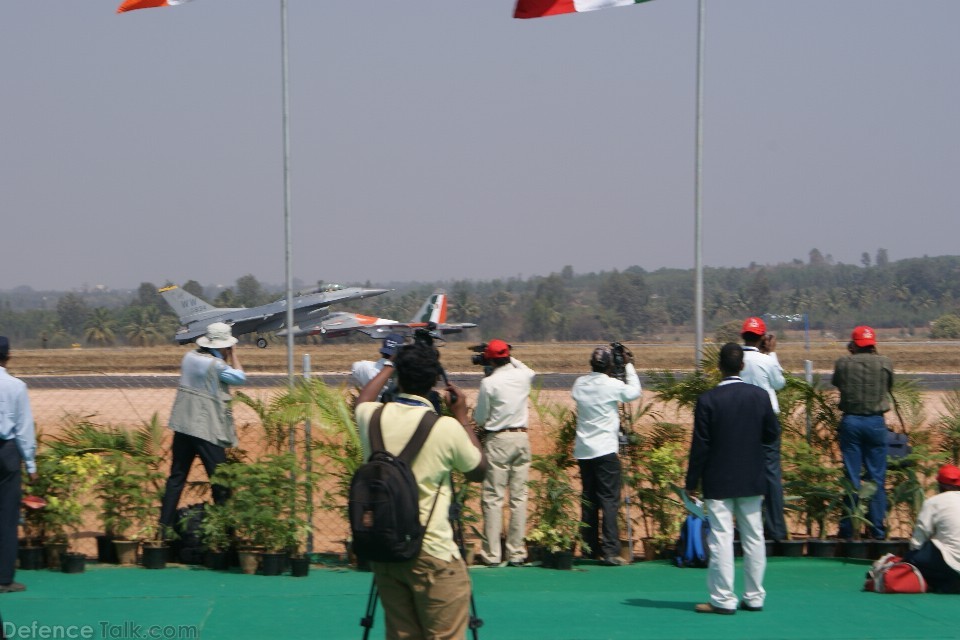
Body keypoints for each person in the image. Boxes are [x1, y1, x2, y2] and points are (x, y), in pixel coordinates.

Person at [355, 340, 487, 639]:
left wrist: (391, 362)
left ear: (399, 376)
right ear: (434, 382)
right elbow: (478, 470)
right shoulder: (445, 428)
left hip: (387, 551)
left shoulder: (370, 418)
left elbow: (364, 399)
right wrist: (463, 419)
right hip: (433, 552)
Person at [686, 343, 780, 615]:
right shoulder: (760, 396)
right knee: (754, 538)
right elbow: (772, 434)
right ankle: (754, 597)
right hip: (752, 477)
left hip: (718, 479)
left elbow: (700, 446)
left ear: (719, 366)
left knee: (721, 539)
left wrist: (691, 482)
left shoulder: (708, 400)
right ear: (742, 366)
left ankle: (723, 599)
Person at [159, 322, 246, 531]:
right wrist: (234, 355)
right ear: (224, 346)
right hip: (207, 430)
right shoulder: (217, 366)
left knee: (176, 478)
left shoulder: (188, 357)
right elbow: (240, 377)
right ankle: (226, 532)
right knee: (220, 479)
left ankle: (163, 529)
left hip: (183, 426)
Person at [571, 345, 641, 566]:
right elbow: (633, 392)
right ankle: (610, 551)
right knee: (609, 500)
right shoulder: (611, 385)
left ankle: (589, 548)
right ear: (609, 365)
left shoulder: (579, 384)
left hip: (584, 451)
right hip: (605, 451)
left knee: (589, 499)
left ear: (591, 364)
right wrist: (628, 364)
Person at [473, 339, 536, 567]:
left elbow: (480, 418)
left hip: (499, 439)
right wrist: (510, 354)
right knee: (519, 497)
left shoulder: (489, 383)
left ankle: (492, 554)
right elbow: (529, 371)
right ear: (508, 356)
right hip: (521, 437)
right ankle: (516, 552)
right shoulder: (523, 376)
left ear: (489, 359)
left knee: (493, 498)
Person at [832, 325, 894, 540]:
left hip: (851, 421)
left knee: (851, 476)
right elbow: (889, 386)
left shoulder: (843, 363)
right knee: (876, 477)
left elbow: (837, 383)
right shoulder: (885, 362)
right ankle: (877, 530)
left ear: (853, 345)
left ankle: (849, 530)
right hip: (876, 422)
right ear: (873, 344)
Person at [739, 317, 788, 542]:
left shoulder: (736, 359)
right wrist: (772, 354)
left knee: (744, 472)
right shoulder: (766, 360)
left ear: (743, 336)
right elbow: (779, 384)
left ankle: (746, 527)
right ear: (762, 338)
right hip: (767, 419)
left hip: (742, 421)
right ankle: (776, 530)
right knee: (771, 474)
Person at [0, 336, 37, 594]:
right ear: (8, 357)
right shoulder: (16, 386)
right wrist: (31, 464)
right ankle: (4, 578)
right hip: (7, 452)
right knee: (7, 516)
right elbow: (24, 428)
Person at [903, 464, 960, 594]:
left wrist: (911, 555)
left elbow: (919, 539)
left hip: (949, 562)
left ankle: (945, 582)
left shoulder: (934, 502)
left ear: (940, 484)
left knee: (913, 558)